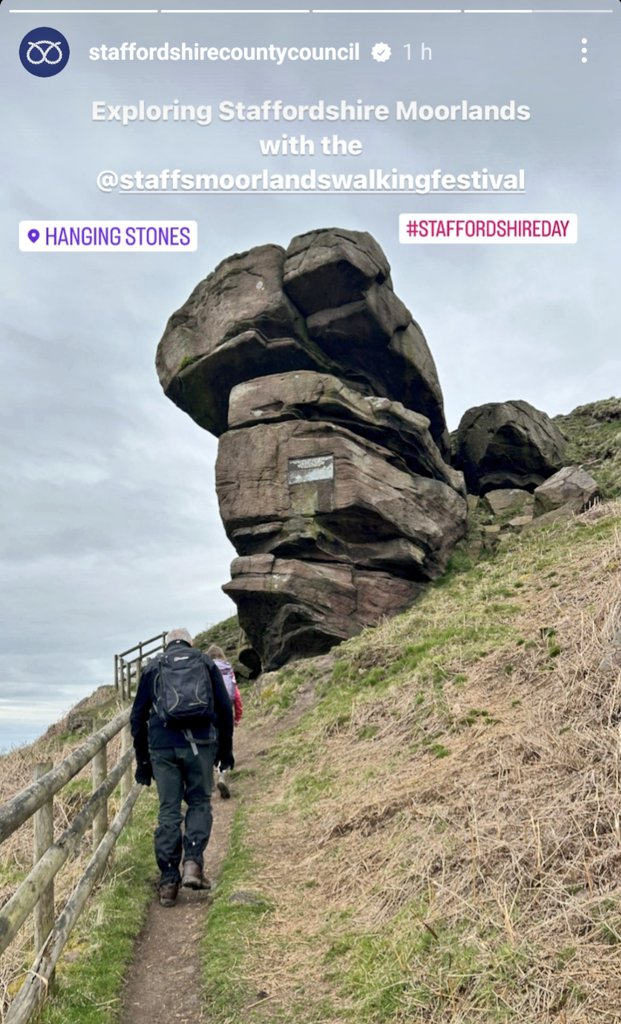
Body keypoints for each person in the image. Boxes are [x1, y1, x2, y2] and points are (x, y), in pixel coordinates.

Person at [130, 628, 234, 907]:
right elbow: (224, 709)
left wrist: (142, 762)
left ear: (167, 645)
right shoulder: (204, 662)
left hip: (162, 748)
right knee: (200, 801)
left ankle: (168, 882)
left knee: (169, 810)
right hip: (200, 744)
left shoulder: (154, 667)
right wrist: (226, 751)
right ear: (191, 643)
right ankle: (192, 864)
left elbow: (137, 717)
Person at [207, 644, 243, 800]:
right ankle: (222, 775)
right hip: (226, 711)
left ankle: (208, 779)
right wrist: (237, 716)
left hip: (209, 712)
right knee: (225, 744)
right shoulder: (228, 669)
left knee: (209, 743)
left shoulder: (205, 668)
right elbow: (236, 695)